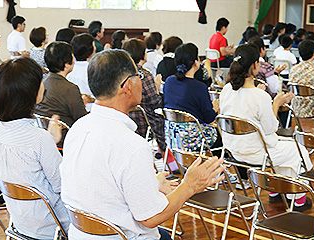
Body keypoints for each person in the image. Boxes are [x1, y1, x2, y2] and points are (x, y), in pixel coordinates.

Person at [60, 49, 225, 239]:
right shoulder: (131, 145)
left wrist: (152, 184)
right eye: (139, 76)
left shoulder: (78, 127)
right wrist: (190, 185)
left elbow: (103, 188)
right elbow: (151, 217)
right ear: (128, 86)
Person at [220, 44, 313, 211]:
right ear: (255, 65)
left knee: (288, 149)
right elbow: (271, 128)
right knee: (298, 151)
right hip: (257, 153)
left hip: (233, 150)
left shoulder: (227, 90)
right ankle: (297, 200)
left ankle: (276, 192)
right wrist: (276, 103)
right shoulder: (260, 95)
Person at [0, 57, 69, 239]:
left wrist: (51, 141)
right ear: (30, 93)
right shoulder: (39, 139)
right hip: (52, 227)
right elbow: (63, 185)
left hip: (20, 221)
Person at [163, 43, 222, 155]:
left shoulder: (169, 81)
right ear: (196, 62)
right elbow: (209, 118)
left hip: (172, 137)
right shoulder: (199, 87)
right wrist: (214, 108)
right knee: (218, 134)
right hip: (192, 139)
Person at [35, 42, 87, 150]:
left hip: (41, 137)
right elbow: (82, 119)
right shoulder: (70, 88)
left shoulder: (42, 84)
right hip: (64, 141)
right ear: (67, 64)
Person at [122, 38, 165, 151]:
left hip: (125, 119)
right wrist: (156, 88)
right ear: (141, 54)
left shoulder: (120, 74)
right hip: (144, 121)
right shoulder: (144, 75)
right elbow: (154, 102)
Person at [67, 33, 96, 111]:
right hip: (90, 110)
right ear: (91, 50)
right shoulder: (94, 70)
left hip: (70, 110)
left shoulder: (68, 70)